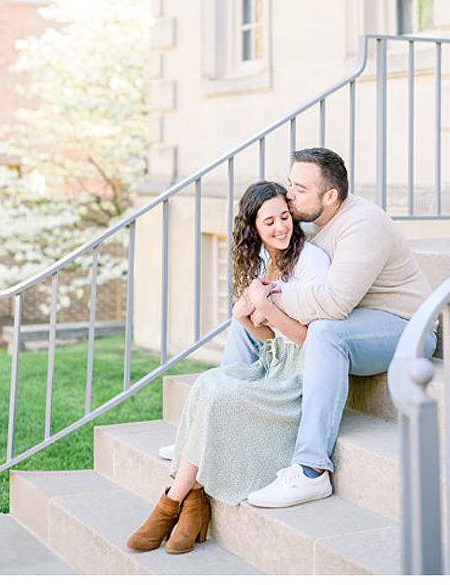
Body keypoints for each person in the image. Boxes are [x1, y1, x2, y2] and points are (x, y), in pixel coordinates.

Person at [127, 182, 332, 554]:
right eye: (268, 222)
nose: (280, 228)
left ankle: (172, 503)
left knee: (220, 395)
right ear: (254, 228)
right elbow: (271, 337)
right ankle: (189, 503)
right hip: (275, 365)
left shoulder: (312, 261)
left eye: (284, 217)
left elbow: (313, 341)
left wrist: (265, 309)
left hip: (300, 377)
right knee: (209, 383)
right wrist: (247, 319)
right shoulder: (269, 262)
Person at [226, 147, 427, 511]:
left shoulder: (363, 224)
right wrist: (258, 306)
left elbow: (333, 305)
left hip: (404, 326)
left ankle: (311, 469)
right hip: (358, 319)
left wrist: (269, 300)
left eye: (300, 188)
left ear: (330, 196)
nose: (289, 195)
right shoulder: (317, 223)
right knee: (241, 320)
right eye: (290, 184)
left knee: (325, 334)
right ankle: (221, 410)